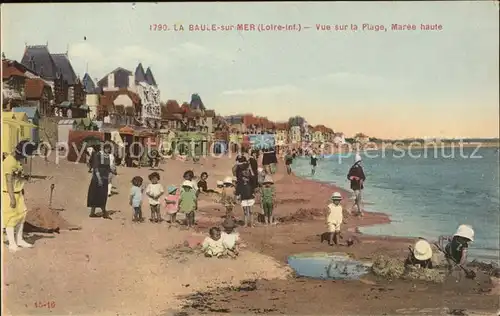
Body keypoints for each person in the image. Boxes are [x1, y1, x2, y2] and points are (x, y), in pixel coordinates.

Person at [3, 140, 37, 252]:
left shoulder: (17, 161)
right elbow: (8, 181)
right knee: (11, 218)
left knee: (21, 216)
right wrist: (12, 198)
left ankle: (19, 239)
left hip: (18, 192)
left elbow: (18, 176)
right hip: (9, 194)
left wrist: (25, 181)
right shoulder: (9, 162)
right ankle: (12, 244)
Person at [87, 143, 113, 219]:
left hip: (104, 178)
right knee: (96, 194)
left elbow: (107, 167)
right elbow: (96, 167)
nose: (108, 150)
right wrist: (99, 178)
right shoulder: (98, 155)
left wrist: (112, 171)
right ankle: (103, 212)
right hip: (97, 178)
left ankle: (94, 213)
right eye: (107, 148)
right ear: (104, 148)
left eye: (109, 149)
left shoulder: (108, 156)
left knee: (102, 195)